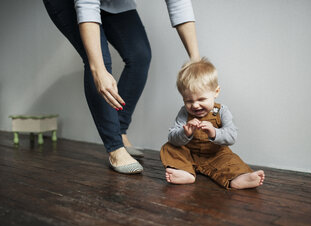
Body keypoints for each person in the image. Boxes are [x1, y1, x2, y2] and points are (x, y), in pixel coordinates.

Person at [43, 0, 200, 174]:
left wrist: (195, 59)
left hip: (115, 2)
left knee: (140, 56)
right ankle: (115, 147)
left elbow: (178, 2)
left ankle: (120, 129)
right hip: (70, 3)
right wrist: (98, 69)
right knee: (99, 61)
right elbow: (87, 5)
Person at [160, 58, 265, 189]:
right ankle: (185, 172)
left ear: (216, 92)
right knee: (169, 147)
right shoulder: (184, 113)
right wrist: (184, 133)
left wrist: (214, 132)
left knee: (230, 161)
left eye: (201, 99)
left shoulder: (222, 111)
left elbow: (232, 136)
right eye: (188, 101)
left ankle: (238, 178)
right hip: (190, 156)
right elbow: (172, 136)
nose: (195, 105)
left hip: (216, 155)